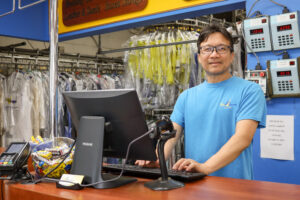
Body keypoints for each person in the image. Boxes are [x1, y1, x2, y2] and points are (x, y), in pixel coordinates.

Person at [136, 24, 267, 180]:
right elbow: (171, 136)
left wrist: (206, 167)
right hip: (196, 184)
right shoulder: (186, 96)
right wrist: (157, 159)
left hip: (235, 186)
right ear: (198, 56)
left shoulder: (250, 91)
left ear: (232, 55)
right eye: (207, 49)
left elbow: (242, 139)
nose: (214, 55)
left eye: (221, 48)